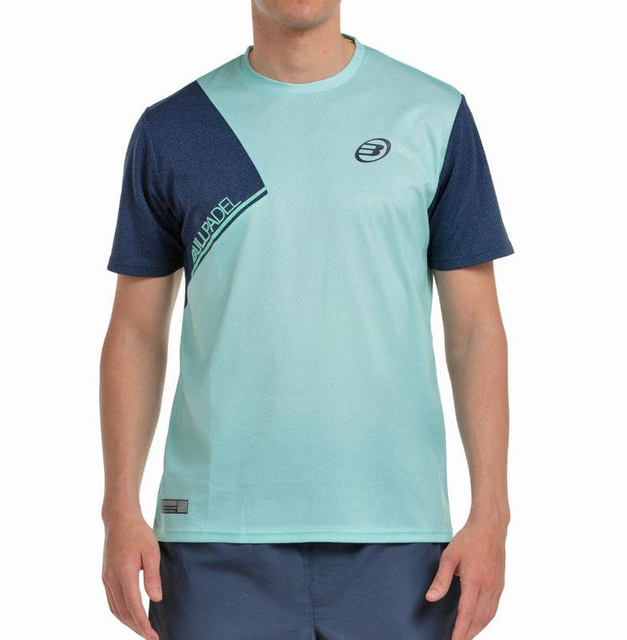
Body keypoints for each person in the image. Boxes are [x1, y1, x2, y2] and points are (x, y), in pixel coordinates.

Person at [100, 2, 514, 639]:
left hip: (400, 541)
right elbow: (134, 334)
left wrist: (491, 513)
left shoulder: (434, 114)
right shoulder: (175, 128)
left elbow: (476, 331)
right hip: (211, 541)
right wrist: (119, 509)